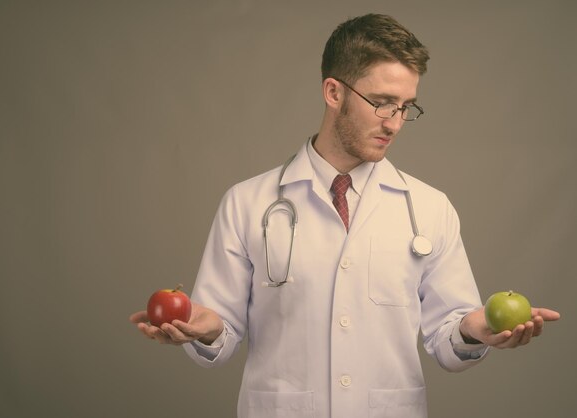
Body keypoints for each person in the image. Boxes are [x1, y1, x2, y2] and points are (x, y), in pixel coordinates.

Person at [130, 13, 560, 418]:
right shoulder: (247, 203)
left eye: (406, 106)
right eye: (382, 102)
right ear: (334, 92)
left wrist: (474, 329)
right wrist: (205, 328)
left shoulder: (430, 207)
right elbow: (217, 337)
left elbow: (450, 340)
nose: (395, 122)